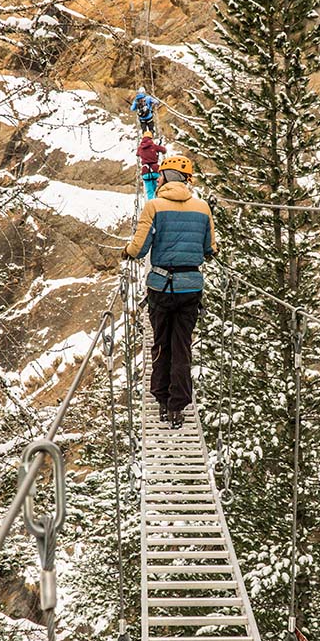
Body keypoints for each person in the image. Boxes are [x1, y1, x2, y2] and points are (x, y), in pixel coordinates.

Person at [123, 155, 216, 428]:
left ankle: (162, 399)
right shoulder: (203, 208)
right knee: (182, 345)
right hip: (190, 288)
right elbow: (210, 248)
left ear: (166, 177)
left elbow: (139, 248)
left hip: (161, 287)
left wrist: (126, 253)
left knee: (161, 344)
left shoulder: (153, 206)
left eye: (161, 174)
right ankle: (179, 405)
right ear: (185, 179)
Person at [137, 131, 167, 200]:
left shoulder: (140, 148)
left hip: (145, 171)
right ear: (151, 138)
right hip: (155, 170)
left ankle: (152, 206)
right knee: (159, 189)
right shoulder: (154, 146)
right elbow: (164, 150)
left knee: (150, 192)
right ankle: (159, 204)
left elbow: (137, 154)